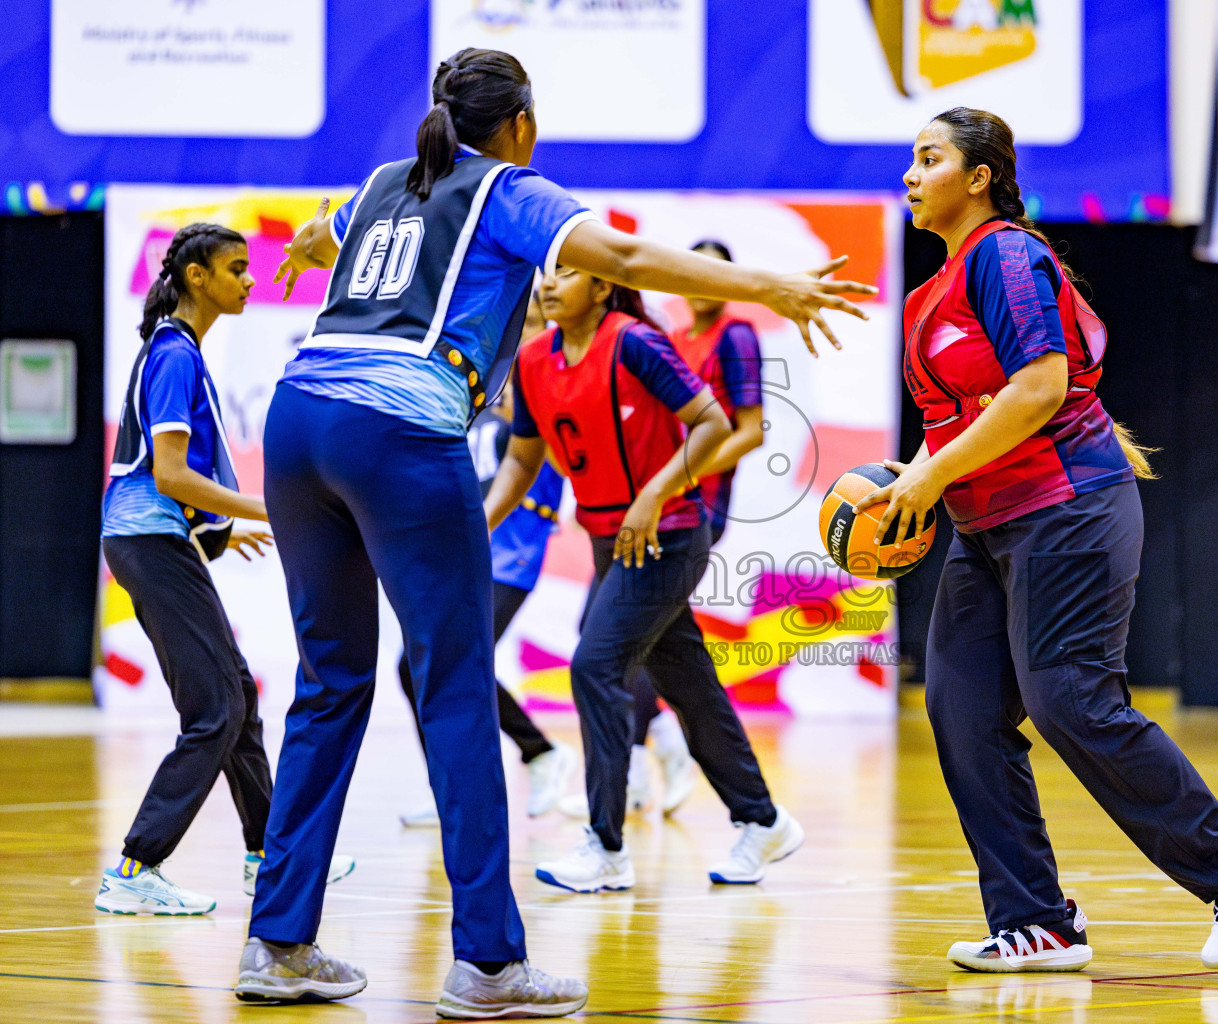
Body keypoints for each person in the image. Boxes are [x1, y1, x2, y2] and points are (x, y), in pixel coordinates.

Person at [234, 47, 872, 1016]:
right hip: (400, 421)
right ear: (523, 124)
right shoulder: (508, 189)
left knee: (329, 686)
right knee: (452, 685)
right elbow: (616, 258)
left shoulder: (380, 184)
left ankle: (277, 946)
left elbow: (322, 235)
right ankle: (488, 965)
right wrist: (776, 288)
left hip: (296, 421)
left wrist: (320, 249)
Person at [857, 107, 1218, 974]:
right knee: (961, 710)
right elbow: (950, 421)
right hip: (986, 529)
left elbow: (1040, 386)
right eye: (909, 160)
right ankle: (1036, 921)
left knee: (1068, 700)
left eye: (929, 159)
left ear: (978, 177)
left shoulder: (1007, 254)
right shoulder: (924, 297)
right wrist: (902, 488)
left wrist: (930, 478)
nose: (910, 175)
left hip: (1067, 508)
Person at [485, 266, 803, 895]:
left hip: (671, 534)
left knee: (594, 667)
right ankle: (763, 819)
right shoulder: (531, 361)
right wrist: (479, 525)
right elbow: (523, 457)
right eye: (547, 274)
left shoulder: (635, 342)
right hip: (612, 542)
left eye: (569, 273)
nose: (550, 285)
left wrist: (654, 495)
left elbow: (715, 423)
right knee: (689, 685)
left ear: (603, 288)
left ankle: (606, 846)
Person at [96, 223, 353, 916]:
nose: (249, 279)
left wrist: (220, 528)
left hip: (158, 538)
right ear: (197, 278)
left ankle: (268, 854)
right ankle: (133, 867)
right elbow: (171, 474)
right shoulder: (174, 356)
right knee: (215, 709)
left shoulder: (179, 351)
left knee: (236, 691)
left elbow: (175, 482)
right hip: (147, 538)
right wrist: (271, 507)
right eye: (236, 269)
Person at [398, 294, 577, 829]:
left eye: (540, 322)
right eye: (521, 323)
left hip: (513, 549)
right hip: (462, 545)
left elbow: (542, 455)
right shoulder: (478, 376)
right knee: (415, 669)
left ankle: (541, 753)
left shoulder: (545, 376)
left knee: (454, 659)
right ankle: (456, 788)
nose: (527, 333)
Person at [627, 239, 766, 815]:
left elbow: (751, 431)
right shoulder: (675, 339)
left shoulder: (736, 335)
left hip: (698, 505)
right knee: (650, 639)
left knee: (627, 636)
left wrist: (678, 477)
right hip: (662, 500)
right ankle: (658, 745)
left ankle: (646, 753)